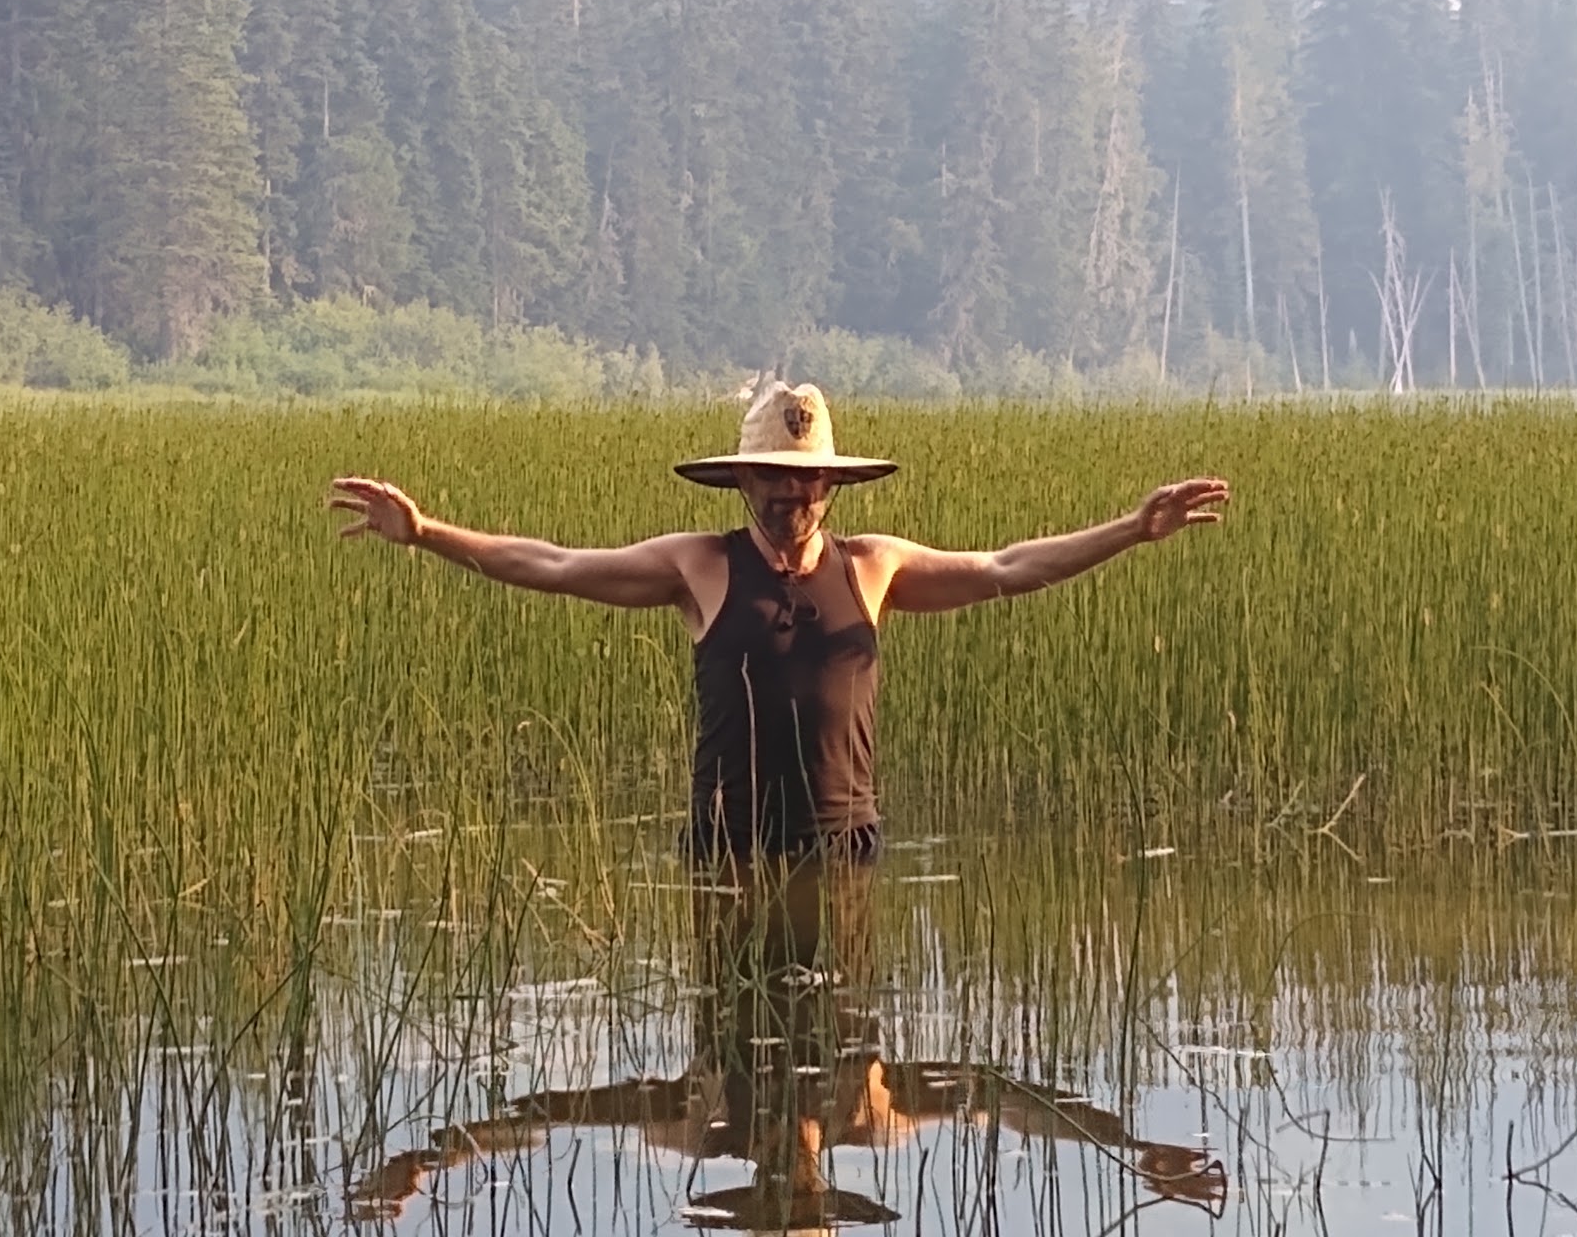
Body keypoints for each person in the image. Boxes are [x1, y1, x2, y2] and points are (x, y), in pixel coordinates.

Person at [328, 377, 1228, 867]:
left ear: (830, 484)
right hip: (725, 855)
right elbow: (557, 566)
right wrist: (426, 534)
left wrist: (1132, 532)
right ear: (743, 481)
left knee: (840, 1065)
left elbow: (1007, 568)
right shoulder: (700, 566)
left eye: (805, 479)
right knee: (736, 1053)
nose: (790, 493)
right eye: (771, 477)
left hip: (845, 851)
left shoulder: (876, 567)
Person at [345, 855, 1228, 1227]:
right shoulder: (873, 1114)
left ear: (758, 1201)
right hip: (767, 908)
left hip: (779, 905)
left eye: (779, 1212)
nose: (789, 1190)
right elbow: (1004, 1100)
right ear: (823, 1198)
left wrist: (437, 1154)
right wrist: (1128, 1141)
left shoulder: (701, 1127)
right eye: (804, 1212)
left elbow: (559, 1114)